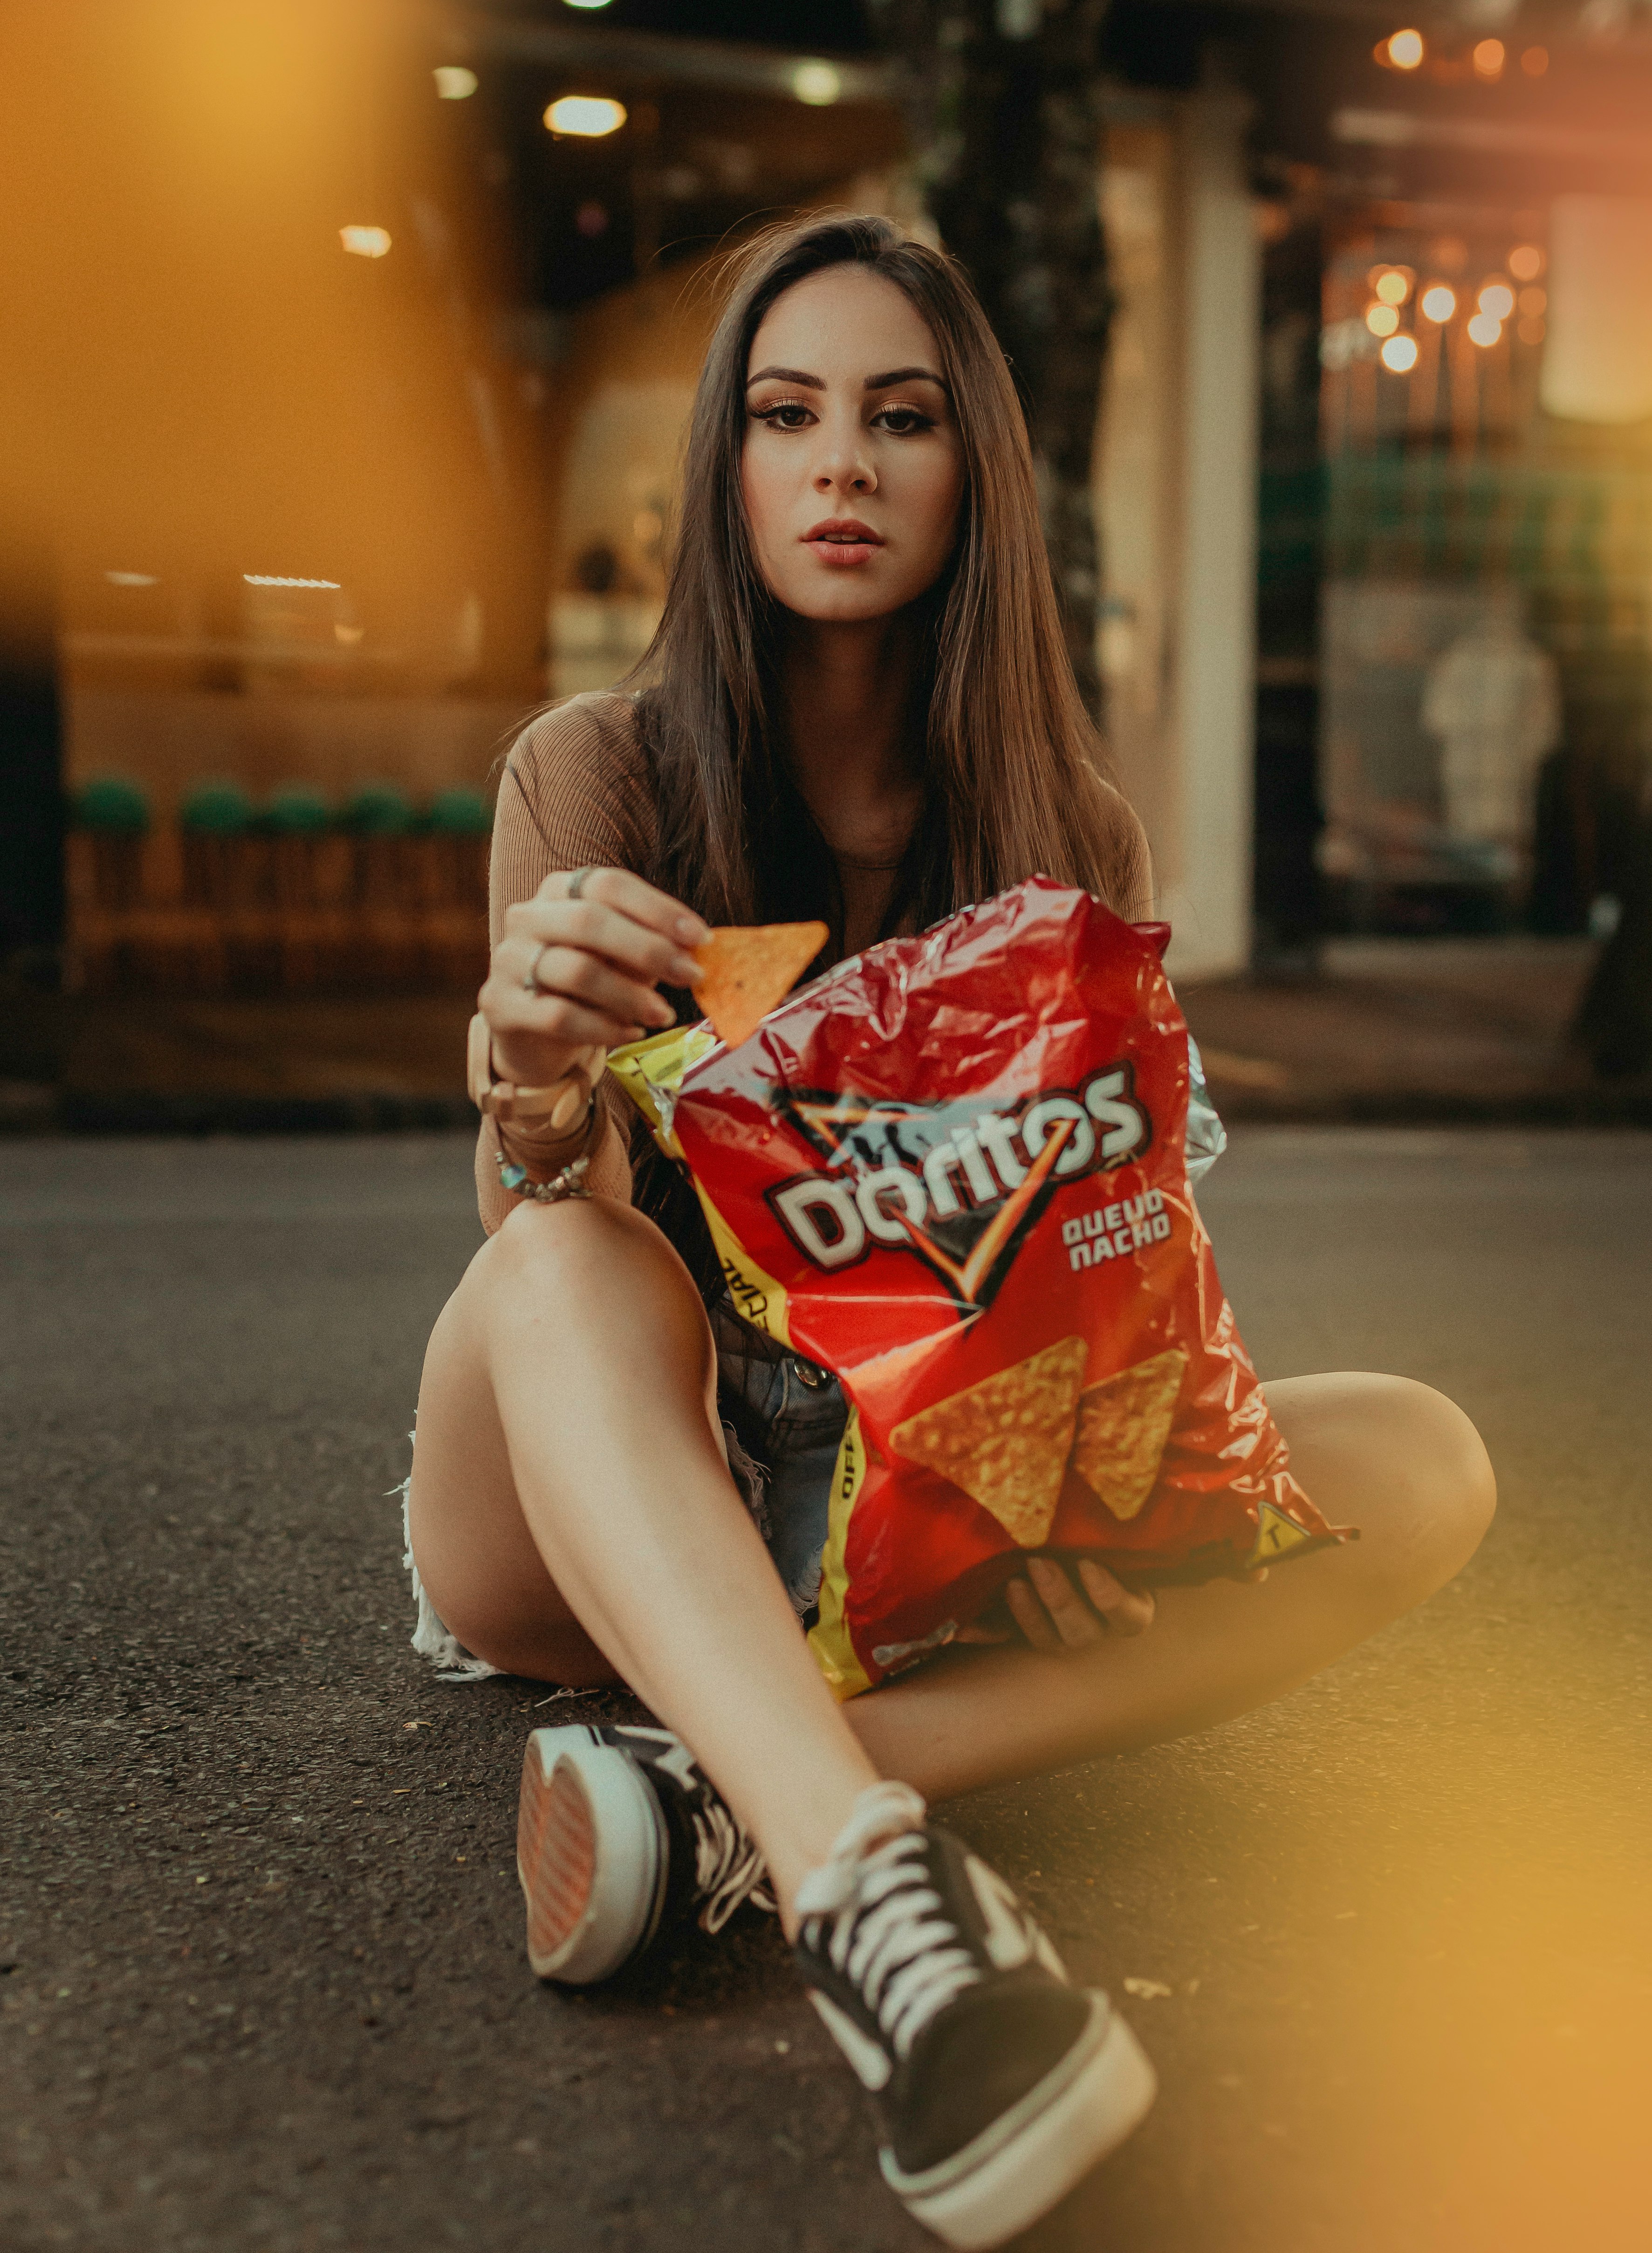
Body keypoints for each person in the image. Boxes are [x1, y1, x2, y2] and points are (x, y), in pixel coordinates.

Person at [407, 213, 1495, 2248]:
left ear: (972, 467)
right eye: (786, 414)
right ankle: (872, 1898)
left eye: (899, 418)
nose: (839, 463)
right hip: (594, 1502)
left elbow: (1114, 1252)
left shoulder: (1065, 830)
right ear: (726, 475)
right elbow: (534, 1232)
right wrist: (527, 1073)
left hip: (909, 1520)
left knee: (1417, 1461)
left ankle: (717, 1798)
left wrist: (1100, 1489)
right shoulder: (595, 774)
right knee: (559, 1261)